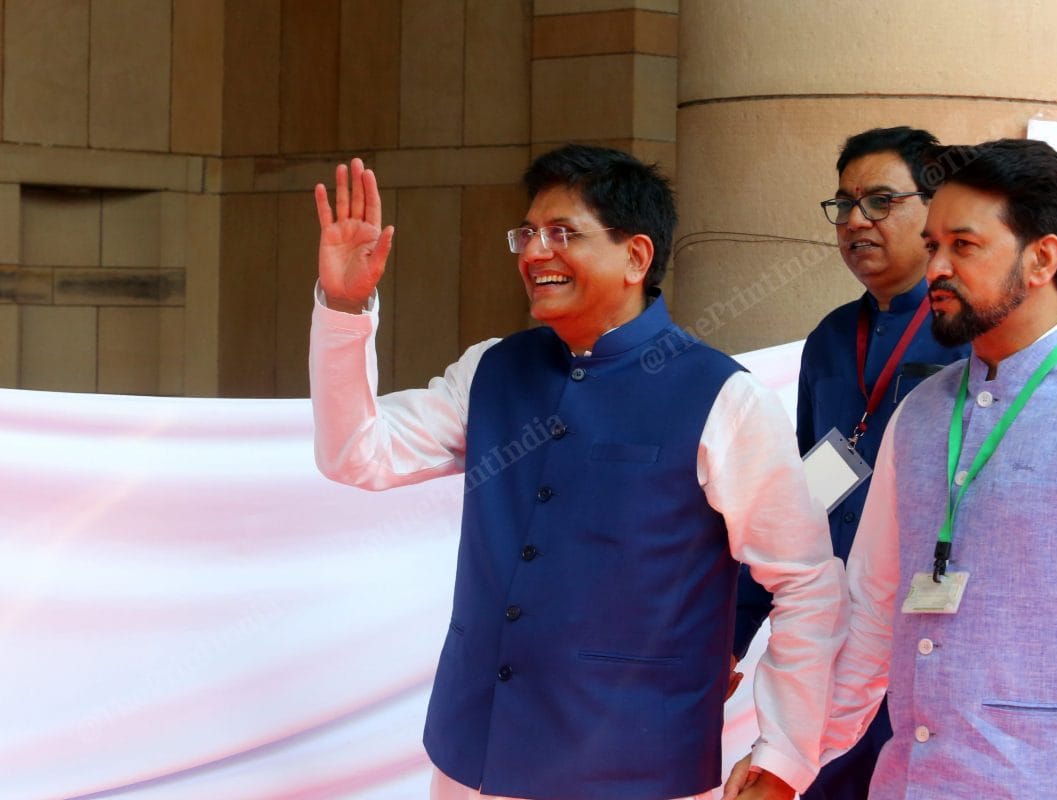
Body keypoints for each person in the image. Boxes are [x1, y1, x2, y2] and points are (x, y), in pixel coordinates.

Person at [308, 145, 848, 800]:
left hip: (636, 769)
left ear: (636, 257)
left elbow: (806, 582)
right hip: (472, 756)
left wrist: (784, 753)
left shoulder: (723, 397)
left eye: (563, 233)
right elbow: (356, 454)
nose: (535, 252)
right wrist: (343, 306)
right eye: (528, 233)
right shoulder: (491, 369)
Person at [821, 138, 1057, 798]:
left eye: (962, 246)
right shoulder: (920, 414)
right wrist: (790, 755)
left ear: (1041, 259)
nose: (934, 265)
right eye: (932, 243)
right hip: (910, 781)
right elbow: (869, 612)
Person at [730, 127, 969, 799]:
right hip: (836, 634)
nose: (857, 221)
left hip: (934, 636)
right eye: (844, 204)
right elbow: (799, 500)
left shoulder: (967, 332)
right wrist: (735, 631)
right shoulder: (833, 338)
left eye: (881, 201)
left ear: (935, 209)